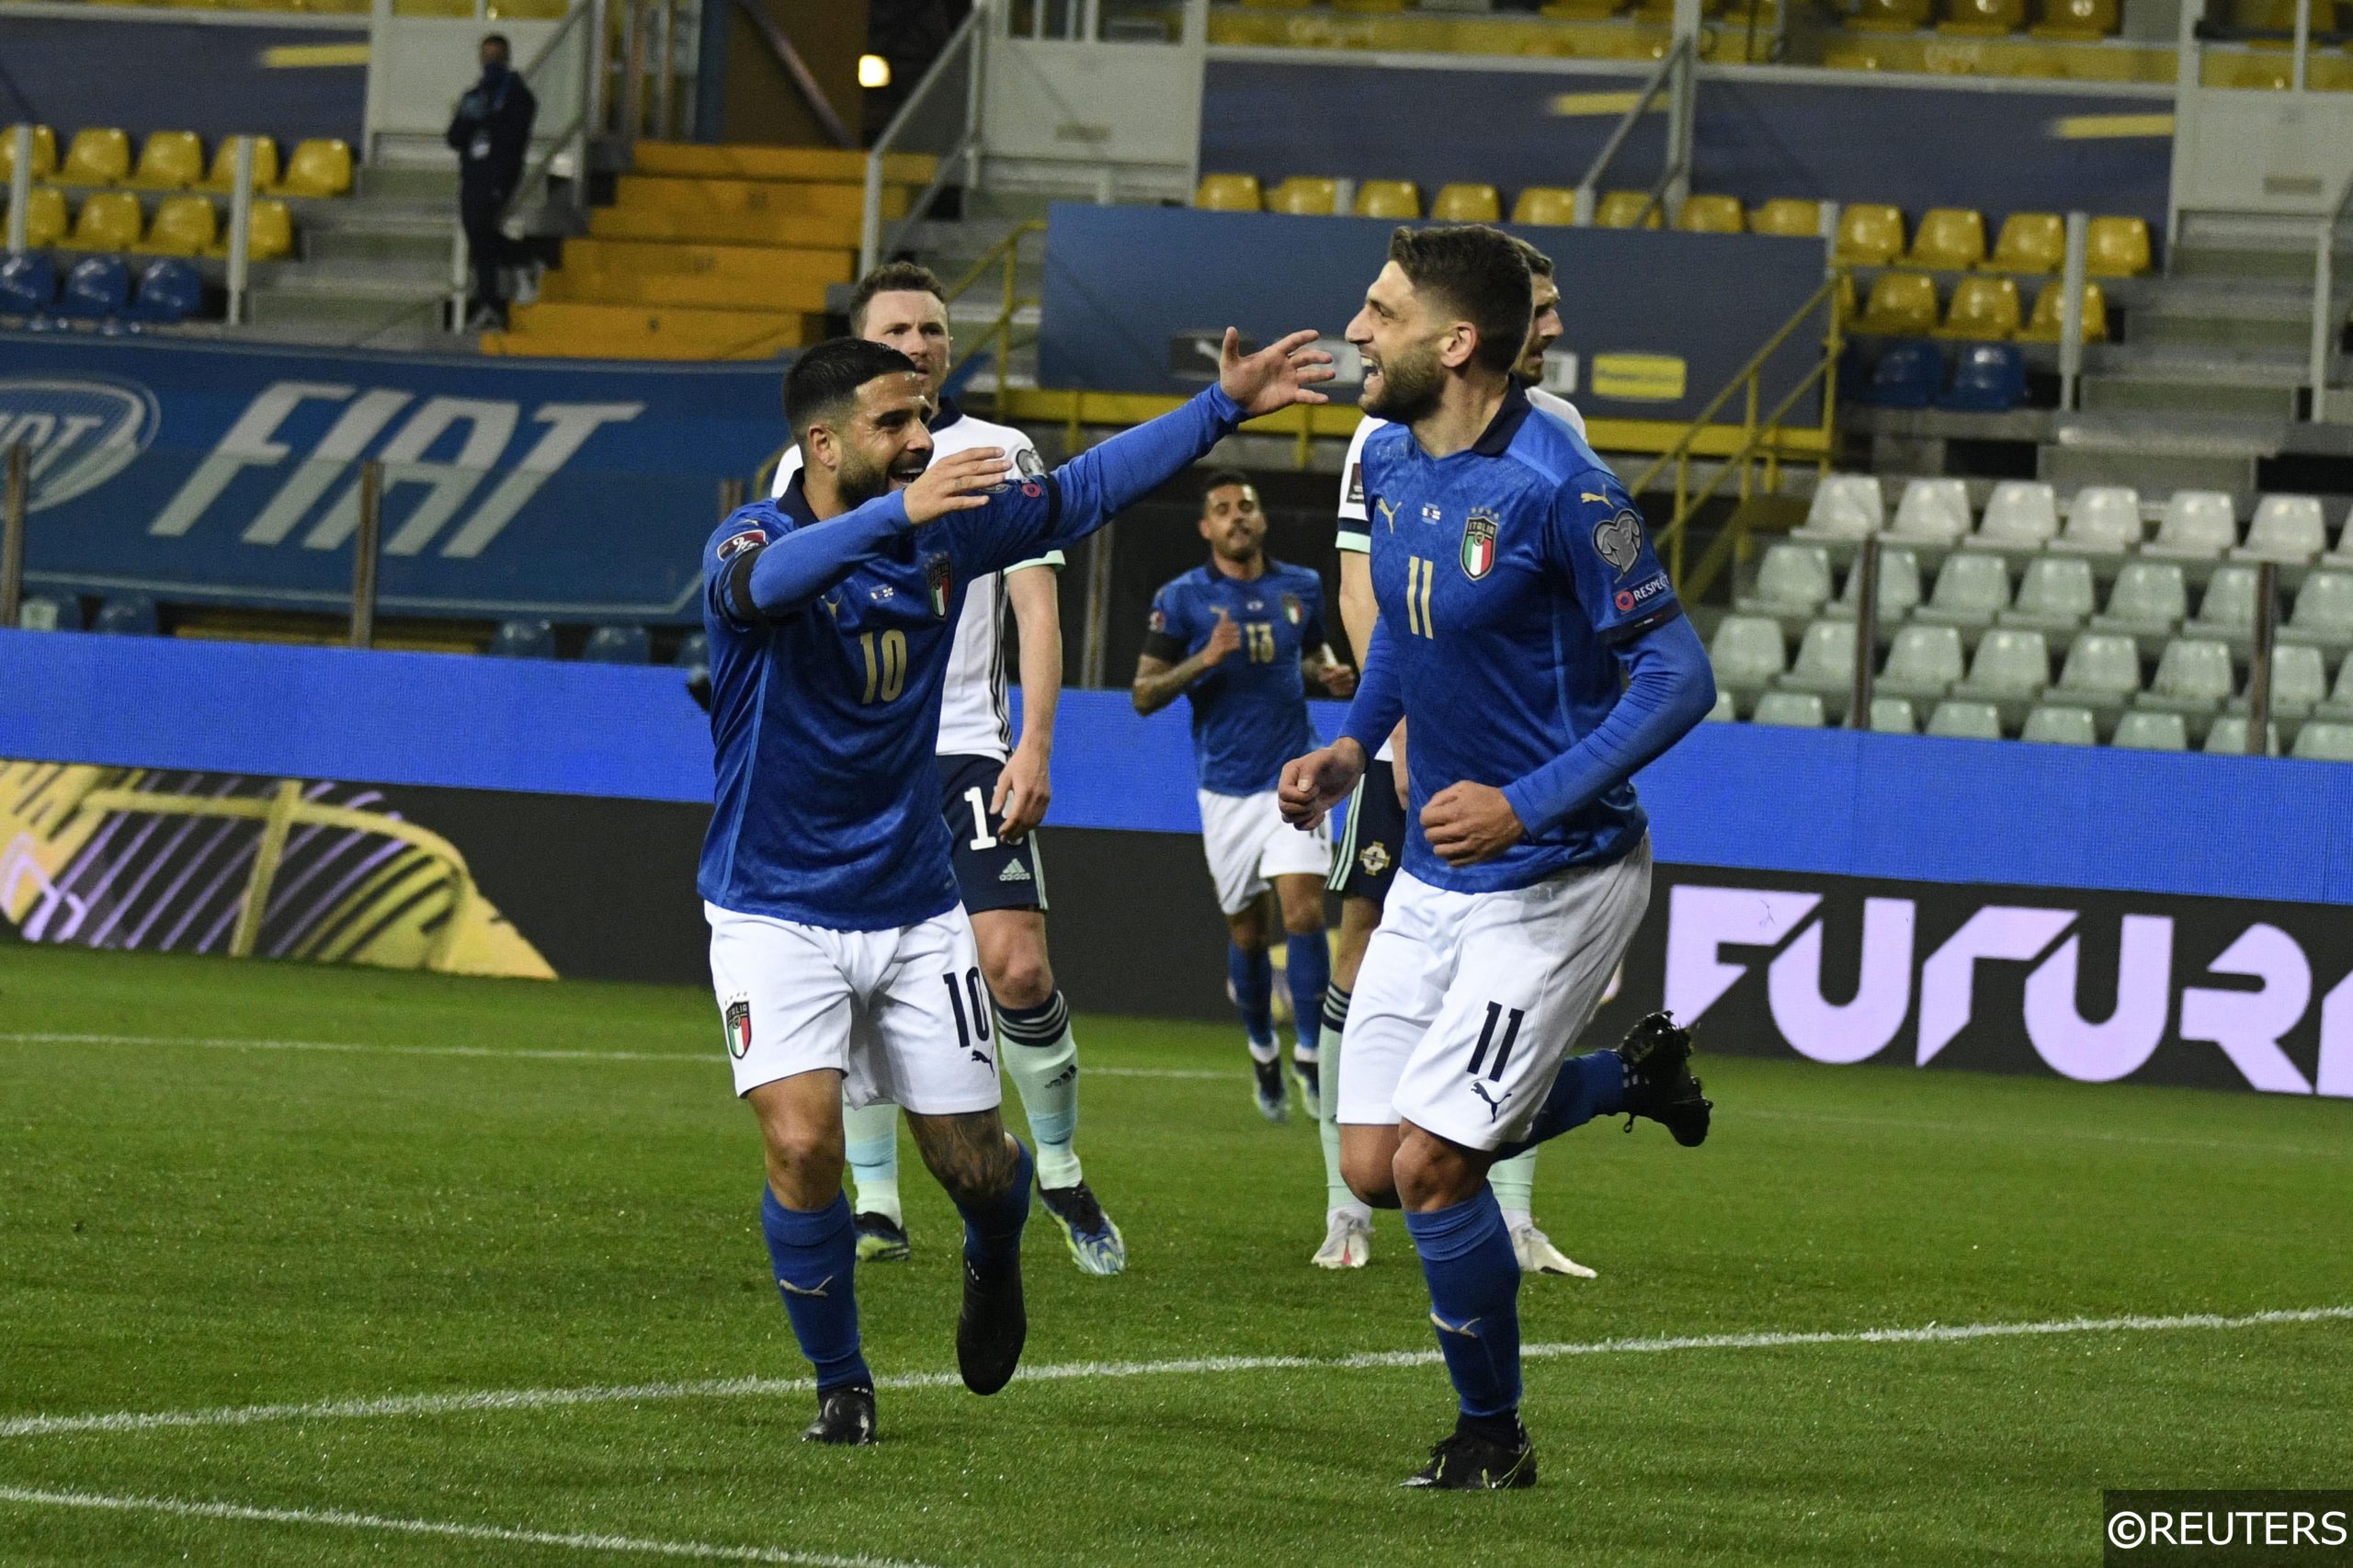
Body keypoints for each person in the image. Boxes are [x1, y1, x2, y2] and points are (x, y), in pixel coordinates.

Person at [702, 327, 1330, 1446]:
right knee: (802, 1143)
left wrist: (1220, 409)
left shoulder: (952, 531)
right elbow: (764, 587)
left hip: (911, 901)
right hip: (770, 905)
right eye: (893, 423)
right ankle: (841, 1382)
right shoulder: (757, 532)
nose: (920, 438)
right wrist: (901, 513)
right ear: (821, 440)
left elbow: (1084, 490)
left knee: (978, 1168)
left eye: (923, 419)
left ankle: (997, 1251)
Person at [1278, 225, 1716, 1489]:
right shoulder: (1404, 463)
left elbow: (1681, 675)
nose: (1358, 330)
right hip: (1439, 867)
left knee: (1432, 1165)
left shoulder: (1561, 488)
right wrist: (1354, 747)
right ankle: (1632, 1083)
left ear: (1455, 344)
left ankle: (1491, 1436)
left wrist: (1529, 801)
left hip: (1560, 872)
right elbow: (1412, 635)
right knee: (1366, 1159)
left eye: (1379, 311)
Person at [771, 263, 1123, 1277]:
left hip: (970, 743)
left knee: (1015, 963)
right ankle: (877, 1198)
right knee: (853, 979)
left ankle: (1055, 1163)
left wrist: (1037, 744)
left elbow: (1036, 612)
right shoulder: (809, 468)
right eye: (897, 331)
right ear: (860, 352)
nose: (919, 343)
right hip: (860, 763)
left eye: (932, 328)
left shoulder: (996, 451)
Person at [1313, 235, 1591, 1277]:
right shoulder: (1382, 432)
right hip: (1408, 747)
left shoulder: (1559, 444)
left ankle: (1511, 1210)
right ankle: (1349, 1206)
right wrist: (1376, 735)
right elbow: (1369, 588)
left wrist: (1544, 784)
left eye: (1554, 309)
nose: (1553, 326)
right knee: (1360, 954)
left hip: (1521, 793)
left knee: (1467, 1082)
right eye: (1542, 306)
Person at [1132, 472, 1355, 1124]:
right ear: (1206, 527)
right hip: (1225, 788)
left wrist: (1328, 672)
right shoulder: (1181, 599)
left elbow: (1312, 653)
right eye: (1223, 510)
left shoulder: (1302, 586)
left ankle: (1312, 1057)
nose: (1237, 517)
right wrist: (1205, 658)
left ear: (1262, 519)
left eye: (1247, 506)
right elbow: (1143, 694)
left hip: (1294, 772)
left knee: (1306, 912)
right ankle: (1263, 1051)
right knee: (1248, 931)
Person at [446, 33, 536, 330]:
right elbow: (455, 137)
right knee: (477, 234)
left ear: (506, 57)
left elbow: (514, 137)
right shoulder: (474, 95)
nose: (491, 61)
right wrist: (471, 119)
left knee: (483, 229)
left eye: (496, 55)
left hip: (498, 173)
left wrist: (489, 121)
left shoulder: (518, 94)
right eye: (487, 56)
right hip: (473, 174)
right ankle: (489, 303)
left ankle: (524, 260)